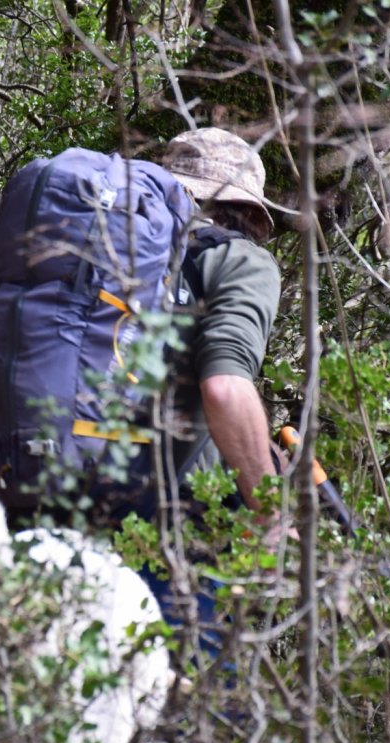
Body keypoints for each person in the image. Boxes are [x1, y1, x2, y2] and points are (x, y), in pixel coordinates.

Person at [102, 126, 286, 655]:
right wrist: (273, 516)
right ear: (248, 210)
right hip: (164, 547)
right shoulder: (238, 260)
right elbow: (226, 388)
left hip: (39, 509)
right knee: (196, 725)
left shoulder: (100, 245)